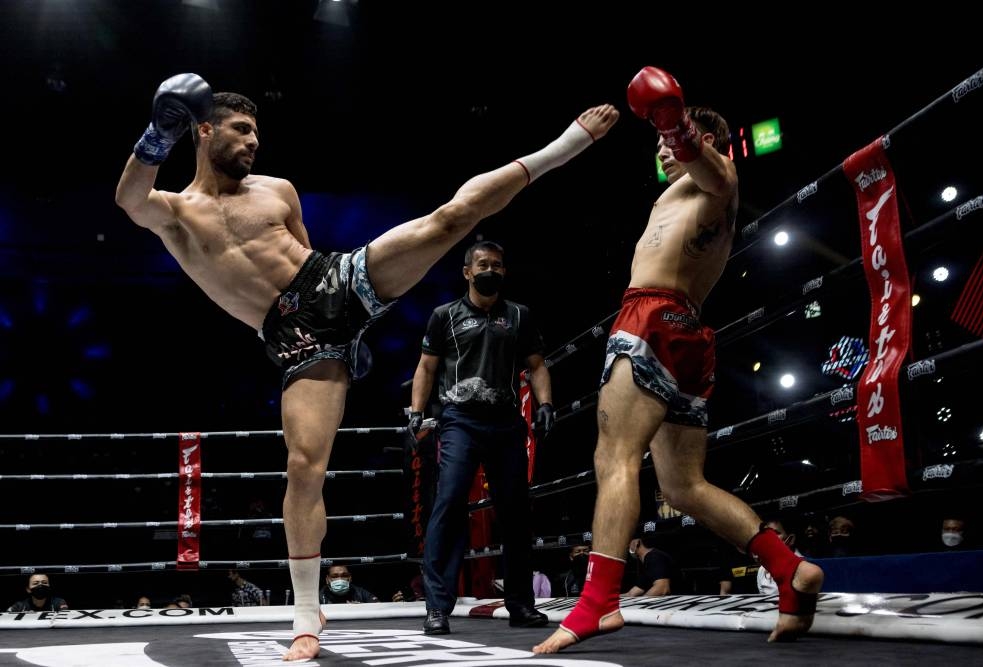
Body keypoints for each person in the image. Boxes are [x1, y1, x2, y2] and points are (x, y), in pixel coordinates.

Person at [115, 71, 618, 661]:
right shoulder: (175, 210)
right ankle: (307, 615)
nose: (254, 142)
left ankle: (564, 146)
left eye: (257, 132)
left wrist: (349, 324)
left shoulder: (278, 190)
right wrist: (156, 133)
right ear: (202, 130)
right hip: (295, 337)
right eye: (242, 130)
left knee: (449, 221)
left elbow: (304, 255)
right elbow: (129, 199)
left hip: (335, 283)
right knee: (304, 466)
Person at [533, 66, 823, 654]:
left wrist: (677, 123)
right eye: (661, 140)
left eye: (670, 139)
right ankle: (789, 569)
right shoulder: (679, 195)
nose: (663, 150)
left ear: (699, 140)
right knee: (684, 485)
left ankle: (598, 603)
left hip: (650, 319)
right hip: (687, 335)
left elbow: (714, 170)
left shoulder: (716, 179)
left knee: (614, 458)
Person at [408, 240, 557, 635]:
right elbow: (426, 367)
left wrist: (545, 404)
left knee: (515, 513)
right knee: (449, 502)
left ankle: (522, 606)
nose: (490, 269)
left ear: (504, 271)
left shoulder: (520, 316)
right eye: (483, 264)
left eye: (497, 264)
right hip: (459, 420)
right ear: (468, 272)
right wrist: (416, 415)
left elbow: (538, 366)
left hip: (506, 423)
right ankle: (437, 608)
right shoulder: (445, 316)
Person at [756, 519, 802, 596]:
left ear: (791, 539)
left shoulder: (804, 566)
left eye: (775, 533)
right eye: (765, 533)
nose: (768, 538)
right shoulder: (762, 569)